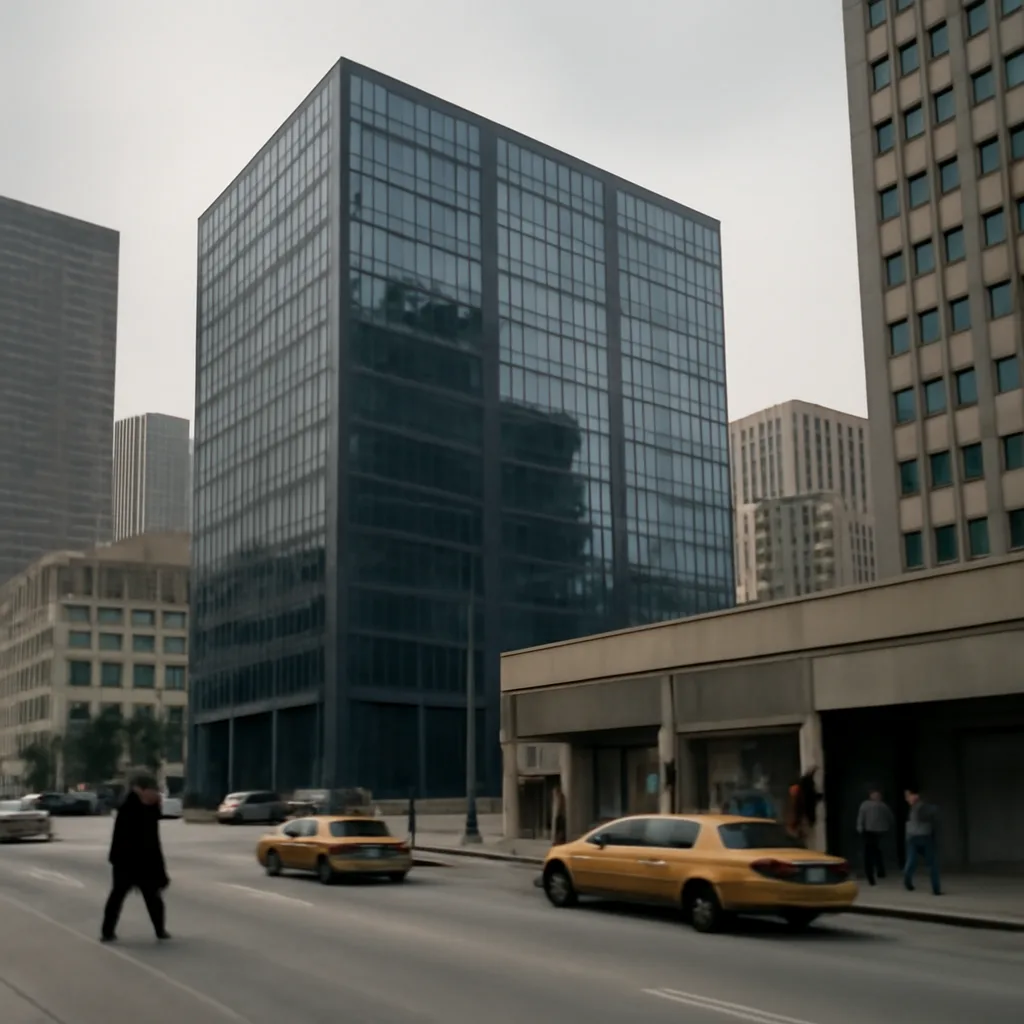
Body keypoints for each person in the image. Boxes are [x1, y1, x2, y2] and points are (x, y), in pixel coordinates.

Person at [101, 774, 171, 942]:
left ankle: (159, 929)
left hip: (142, 861)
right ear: (141, 790)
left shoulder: (147, 807)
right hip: (128, 861)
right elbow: (131, 837)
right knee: (119, 897)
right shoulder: (130, 806)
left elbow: (153, 839)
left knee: (152, 898)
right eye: (153, 790)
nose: (156, 794)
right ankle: (108, 931)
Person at [903, 787, 941, 896]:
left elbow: (930, 812)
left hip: (924, 838)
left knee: (931, 864)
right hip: (914, 839)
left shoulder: (922, 807)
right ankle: (908, 882)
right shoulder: (911, 809)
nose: (907, 799)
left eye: (908, 796)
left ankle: (936, 889)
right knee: (912, 863)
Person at [856, 787, 894, 885]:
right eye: (875, 795)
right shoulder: (865, 805)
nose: (877, 797)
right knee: (870, 852)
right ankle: (871, 873)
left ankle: (879, 871)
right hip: (869, 831)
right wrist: (860, 827)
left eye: (878, 795)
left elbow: (890, 817)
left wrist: (889, 826)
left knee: (877, 852)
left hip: (880, 831)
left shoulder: (883, 806)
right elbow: (861, 817)